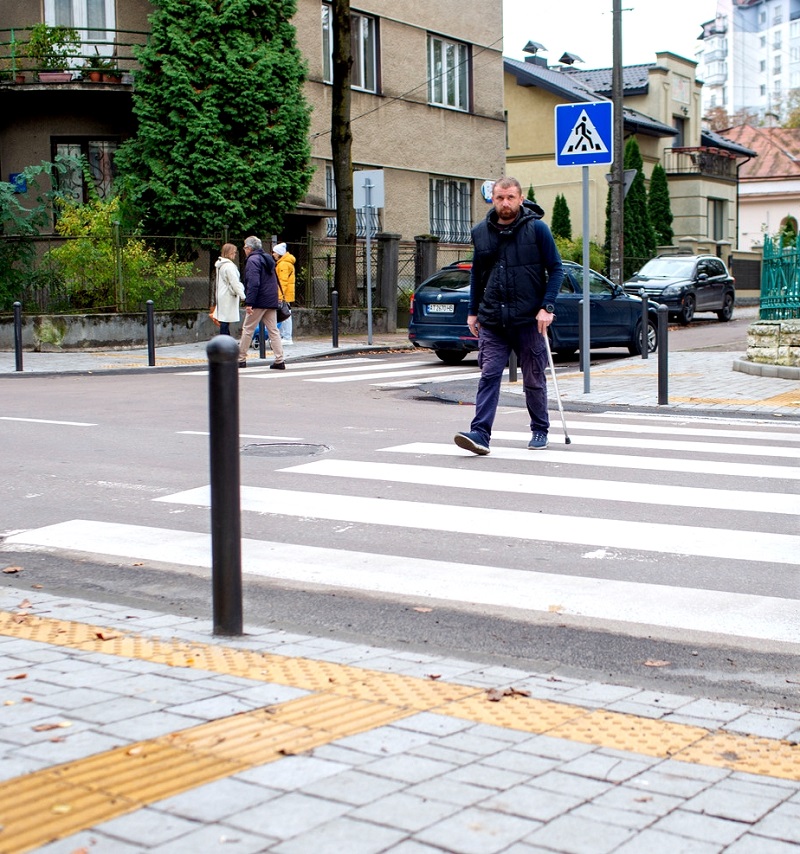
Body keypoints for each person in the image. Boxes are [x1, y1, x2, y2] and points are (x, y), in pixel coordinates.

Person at [454, 177, 563, 455]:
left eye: (510, 197)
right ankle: (480, 434)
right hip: (493, 319)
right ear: (492, 198)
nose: (505, 203)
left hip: (529, 319)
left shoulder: (537, 229)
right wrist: (472, 311)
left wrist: (547, 307)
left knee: (533, 378)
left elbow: (557, 270)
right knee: (489, 375)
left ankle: (540, 428)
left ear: (520, 198)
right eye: (500, 197)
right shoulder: (481, 232)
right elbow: (478, 274)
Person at [237, 236, 285, 370]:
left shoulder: (252, 260)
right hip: (271, 299)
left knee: (248, 329)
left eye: (245, 247)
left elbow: (253, 282)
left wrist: (249, 302)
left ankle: (241, 359)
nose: (244, 250)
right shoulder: (267, 258)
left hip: (259, 300)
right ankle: (279, 360)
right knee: (273, 330)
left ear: (250, 248)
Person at [212, 243, 246, 337]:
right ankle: (225, 340)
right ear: (230, 253)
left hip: (222, 293)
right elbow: (234, 282)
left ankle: (225, 338)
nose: (235, 254)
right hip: (228, 295)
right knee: (225, 320)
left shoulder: (221, 265)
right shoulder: (229, 266)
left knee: (224, 319)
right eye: (234, 252)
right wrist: (243, 295)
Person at [272, 242, 296, 345]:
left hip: (284, 294)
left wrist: (279, 296)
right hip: (286, 293)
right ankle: (285, 336)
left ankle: (286, 337)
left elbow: (282, 282)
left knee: (285, 315)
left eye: (275, 252)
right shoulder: (285, 263)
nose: (273, 254)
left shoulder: (283, 264)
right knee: (285, 314)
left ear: (279, 253)